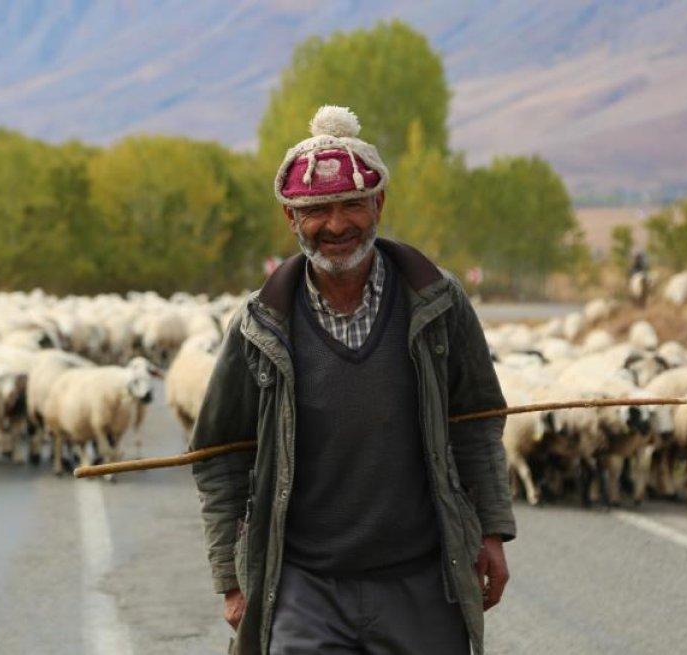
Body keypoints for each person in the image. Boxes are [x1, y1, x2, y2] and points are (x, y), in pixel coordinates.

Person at [191, 106, 516, 655]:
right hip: (303, 586)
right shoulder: (259, 326)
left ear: (379, 204)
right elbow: (220, 456)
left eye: (351, 204)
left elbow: (477, 422)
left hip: (421, 578)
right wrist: (231, 576)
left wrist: (491, 532)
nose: (336, 225)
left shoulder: (437, 303)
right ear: (292, 219)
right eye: (316, 209)